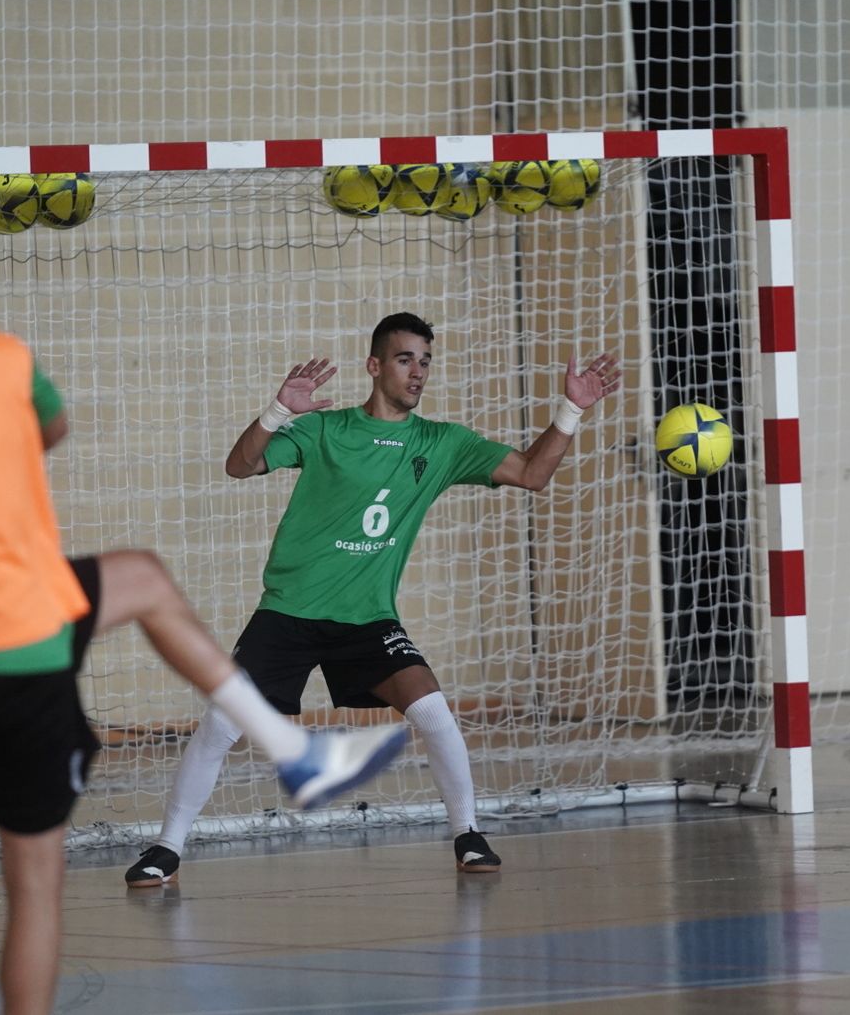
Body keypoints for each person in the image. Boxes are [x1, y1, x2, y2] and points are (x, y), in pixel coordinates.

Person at [0, 216, 407, 1015]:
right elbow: (52, 426)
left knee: (140, 577)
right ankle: (294, 753)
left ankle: (291, 748)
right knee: (35, 889)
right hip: (19, 644)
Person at [123, 312, 620, 886]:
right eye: (405, 359)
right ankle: (167, 847)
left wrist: (571, 410)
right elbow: (240, 465)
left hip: (368, 620)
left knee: (433, 711)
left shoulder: (442, 443)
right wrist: (278, 411)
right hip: (288, 612)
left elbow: (532, 474)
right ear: (375, 366)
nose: (418, 372)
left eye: (425, 361)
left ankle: (467, 834)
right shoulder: (326, 429)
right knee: (221, 724)